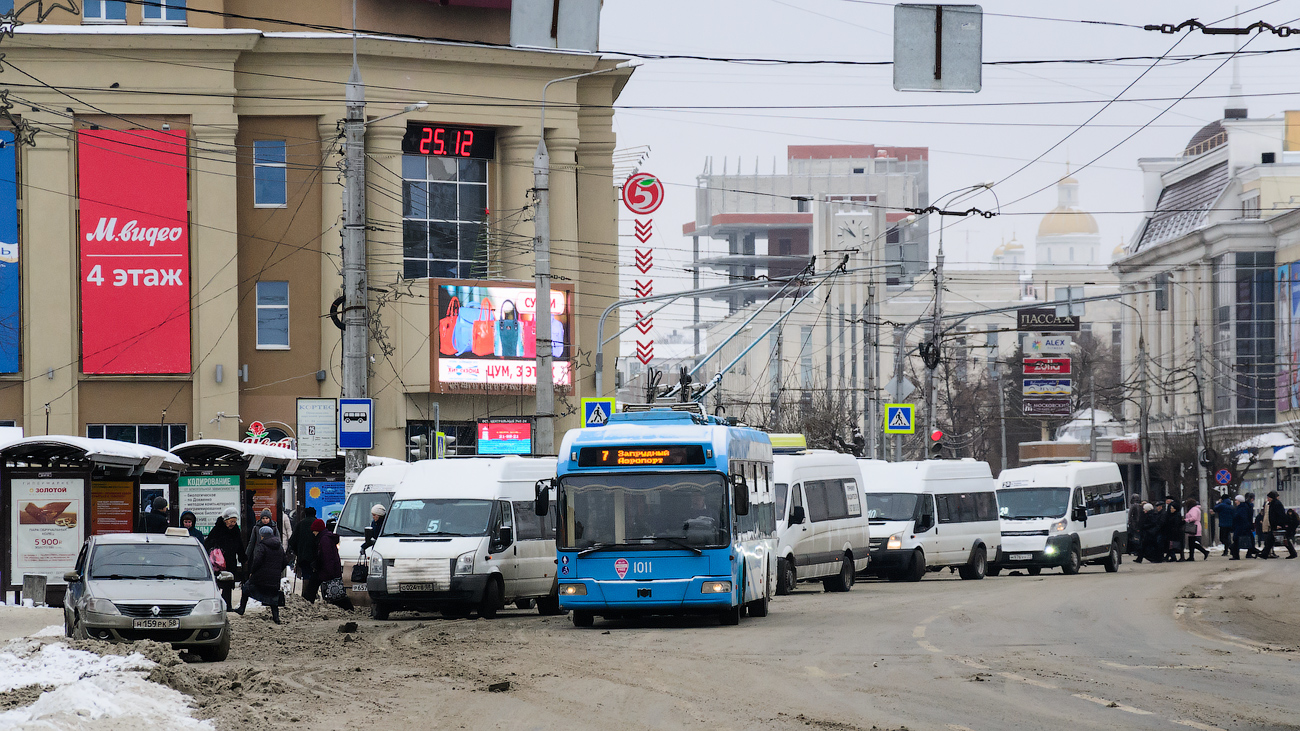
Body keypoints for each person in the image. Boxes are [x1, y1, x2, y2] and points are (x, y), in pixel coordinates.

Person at [238, 525, 287, 624]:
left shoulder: (262, 546)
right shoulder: (279, 546)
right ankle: (276, 617)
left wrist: (252, 572)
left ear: (262, 535)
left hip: (261, 577)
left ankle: (241, 609)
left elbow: (257, 561)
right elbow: (284, 561)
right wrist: (277, 571)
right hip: (274, 578)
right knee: (273, 596)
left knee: (246, 588)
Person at [204, 507, 246, 611]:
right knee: (217, 583)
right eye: (231, 521)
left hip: (230, 561)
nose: (233, 524)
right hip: (218, 563)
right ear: (225, 520)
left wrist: (242, 557)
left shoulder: (235, 530)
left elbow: (239, 545)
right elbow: (208, 544)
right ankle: (215, 605)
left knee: (229, 583)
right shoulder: (217, 529)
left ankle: (228, 605)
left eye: (234, 522)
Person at [311, 518, 353, 611]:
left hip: (328, 571)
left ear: (318, 530)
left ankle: (348, 608)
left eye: (314, 530)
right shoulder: (326, 537)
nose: (313, 533)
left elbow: (328, 557)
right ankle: (347, 608)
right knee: (336, 592)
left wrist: (329, 573)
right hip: (331, 570)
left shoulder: (324, 539)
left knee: (335, 593)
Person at [288, 507, 319, 600]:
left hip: (303, 555)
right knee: (315, 574)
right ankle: (312, 594)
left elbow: (292, 541)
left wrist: (297, 551)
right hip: (316, 556)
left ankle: (305, 594)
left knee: (306, 574)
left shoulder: (300, 524)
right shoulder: (317, 523)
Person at [1260, 491, 1289, 559]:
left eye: (1269, 497)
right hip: (1273, 524)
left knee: (1283, 539)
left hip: (1276, 525)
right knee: (1270, 540)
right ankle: (1265, 553)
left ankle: (1293, 552)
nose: (1268, 499)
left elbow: (1280, 515)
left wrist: (1279, 524)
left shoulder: (1276, 504)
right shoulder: (1272, 504)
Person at [1231, 495, 1254, 560]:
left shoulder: (1242, 508)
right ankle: (1246, 553)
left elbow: (1242, 518)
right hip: (1240, 527)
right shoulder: (1242, 507)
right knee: (1238, 540)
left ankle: (1236, 555)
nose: (1235, 502)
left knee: (1236, 540)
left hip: (1241, 527)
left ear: (1239, 501)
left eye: (1236, 500)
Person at [1163, 497, 1184, 562]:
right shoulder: (1172, 515)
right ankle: (1171, 557)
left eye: (1172, 508)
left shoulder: (1176, 516)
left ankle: (1180, 557)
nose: (1170, 509)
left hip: (1175, 532)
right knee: (1171, 545)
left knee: (1175, 545)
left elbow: (1176, 524)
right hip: (1173, 532)